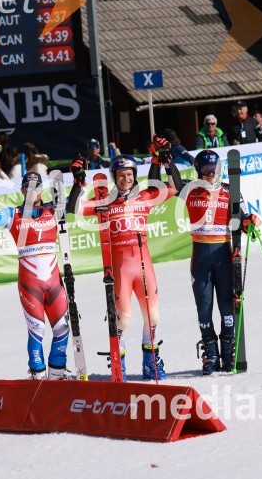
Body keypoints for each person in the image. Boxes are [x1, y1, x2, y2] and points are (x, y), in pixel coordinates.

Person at [68, 136, 180, 380]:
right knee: (124, 319)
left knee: (153, 316)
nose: (126, 178)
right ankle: (119, 363)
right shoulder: (105, 203)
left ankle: (151, 362)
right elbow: (74, 208)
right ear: (114, 177)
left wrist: (164, 160)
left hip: (144, 265)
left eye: (129, 174)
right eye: (121, 175)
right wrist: (79, 181)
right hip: (120, 269)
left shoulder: (145, 197)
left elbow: (174, 188)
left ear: (135, 176)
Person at [0, 171, 71, 380]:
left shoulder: (53, 209)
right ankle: (37, 377)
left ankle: (57, 375)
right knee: (37, 329)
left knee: (62, 328)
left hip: (54, 282)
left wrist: (79, 179)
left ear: (42, 190)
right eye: (28, 187)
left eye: (37, 187)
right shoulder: (13, 214)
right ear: (22, 190)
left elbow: (75, 203)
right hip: (30, 284)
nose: (32, 191)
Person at [176, 150, 261, 374]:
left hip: (223, 255)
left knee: (226, 305)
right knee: (204, 308)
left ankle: (229, 349)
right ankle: (211, 353)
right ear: (198, 171)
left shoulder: (230, 190)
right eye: (205, 170)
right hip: (201, 258)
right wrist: (166, 160)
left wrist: (250, 221)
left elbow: (242, 218)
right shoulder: (191, 190)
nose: (210, 174)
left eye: (213, 169)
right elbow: (172, 183)